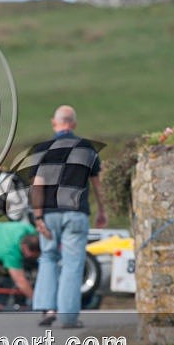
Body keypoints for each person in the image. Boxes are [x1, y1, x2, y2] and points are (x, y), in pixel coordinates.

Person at [31, 105, 107, 328]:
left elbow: (38, 185)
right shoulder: (86, 148)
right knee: (73, 263)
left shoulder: (43, 149)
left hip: (50, 213)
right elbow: (97, 185)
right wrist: (103, 210)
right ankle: (68, 317)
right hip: (75, 213)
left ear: (55, 124)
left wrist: (38, 217)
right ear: (73, 124)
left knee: (48, 258)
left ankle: (48, 309)